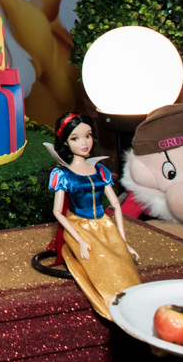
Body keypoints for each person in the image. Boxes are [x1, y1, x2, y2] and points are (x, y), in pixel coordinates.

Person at [47, 113, 141, 320]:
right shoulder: (63, 175)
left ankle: (135, 309)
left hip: (104, 225)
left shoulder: (100, 170)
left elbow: (116, 205)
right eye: (75, 138)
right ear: (65, 142)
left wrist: (124, 241)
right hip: (80, 226)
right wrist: (79, 240)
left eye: (88, 135)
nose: (84, 142)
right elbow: (57, 212)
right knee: (103, 264)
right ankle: (115, 307)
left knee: (123, 263)